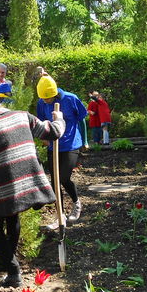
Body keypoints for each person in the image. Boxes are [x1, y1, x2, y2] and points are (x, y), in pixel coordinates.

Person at [0, 93, 65, 287]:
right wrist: (59, 119)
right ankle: (5, 261)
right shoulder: (23, 115)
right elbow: (53, 132)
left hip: (4, 178)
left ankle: (13, 270)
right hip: (30, 177)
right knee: (11, 215)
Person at [36, 75, 88, 224]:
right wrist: (44, 137)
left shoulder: (70, 99)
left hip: (71, 144)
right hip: (53, 145)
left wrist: (84, 140)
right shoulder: (41, 102)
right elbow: (41, 122)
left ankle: (77, 203)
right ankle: (61, 215)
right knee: (54, 182)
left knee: (64, 178)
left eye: (48, 99)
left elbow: (82, 118)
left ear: (55, 93)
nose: (45, 101)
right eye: (43, 99)